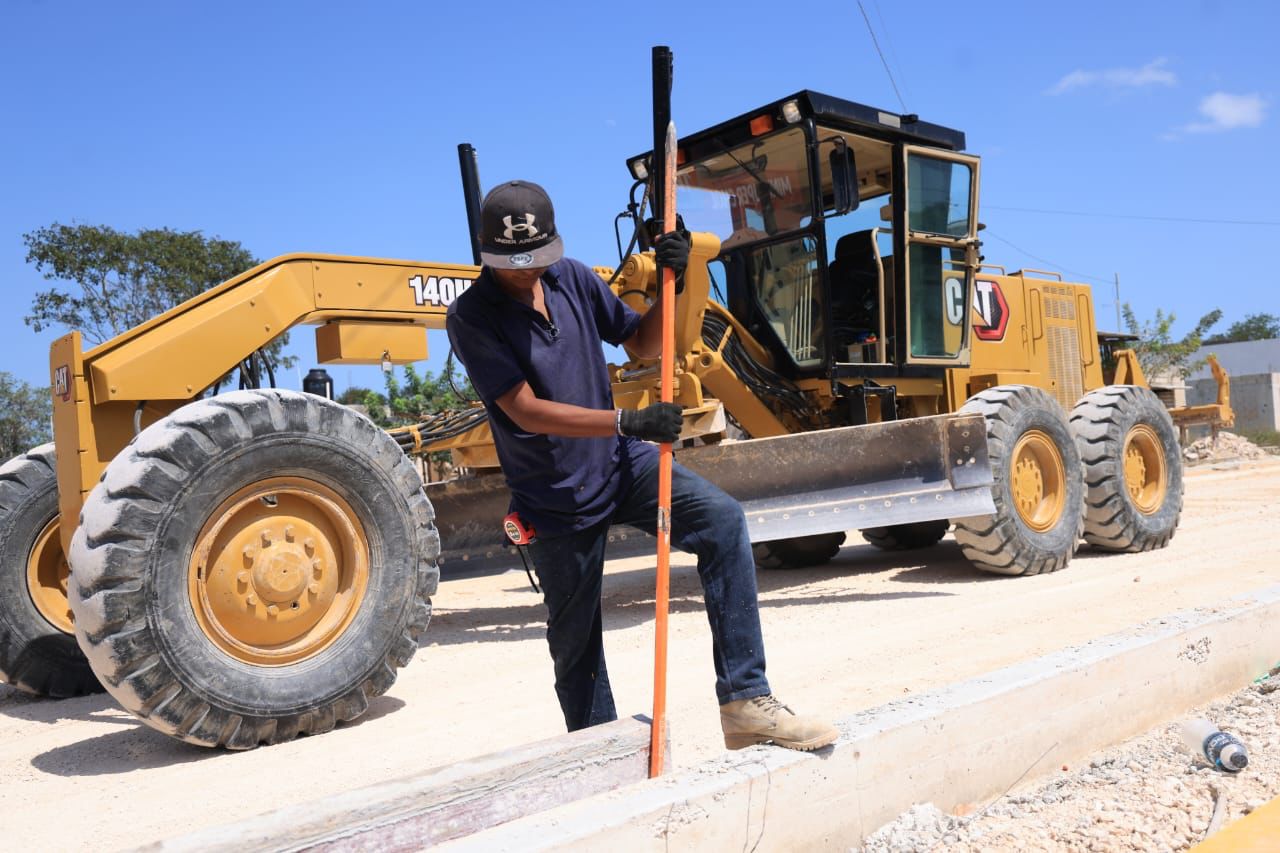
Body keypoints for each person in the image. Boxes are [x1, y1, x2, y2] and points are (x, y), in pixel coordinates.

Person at [445, 179, 837, 752]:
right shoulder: (471, 316)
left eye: (536, 260)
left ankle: (746, 703)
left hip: (618, 463)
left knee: (723, 522)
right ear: (487, 253)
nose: (527, 273)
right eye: (513, 264)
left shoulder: (572, 277)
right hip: (554, 494)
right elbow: (524, 411)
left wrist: (681, 275)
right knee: (577, 644)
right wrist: (626, 422)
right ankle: (602, 753)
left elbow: (643, 344)